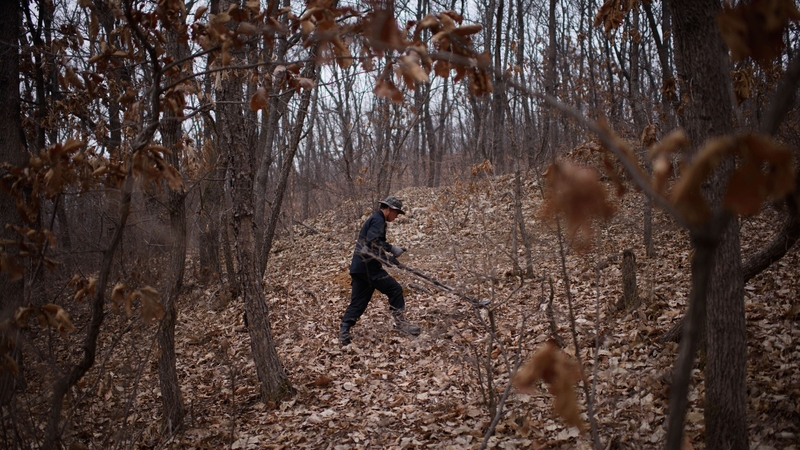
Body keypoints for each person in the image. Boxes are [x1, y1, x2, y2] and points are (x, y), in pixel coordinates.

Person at [339, 196, 421, 346]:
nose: (396, 217)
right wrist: (391, 248)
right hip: (369, 268)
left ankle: (344, 332)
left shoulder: (374, 219)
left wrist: (388, 259)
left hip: (358, 267)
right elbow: (373, 242)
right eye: (396, 213)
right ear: (389, 209)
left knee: (359, 301)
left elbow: (372, 246)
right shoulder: (378, 220)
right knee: (395, 289)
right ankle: (401, 324)